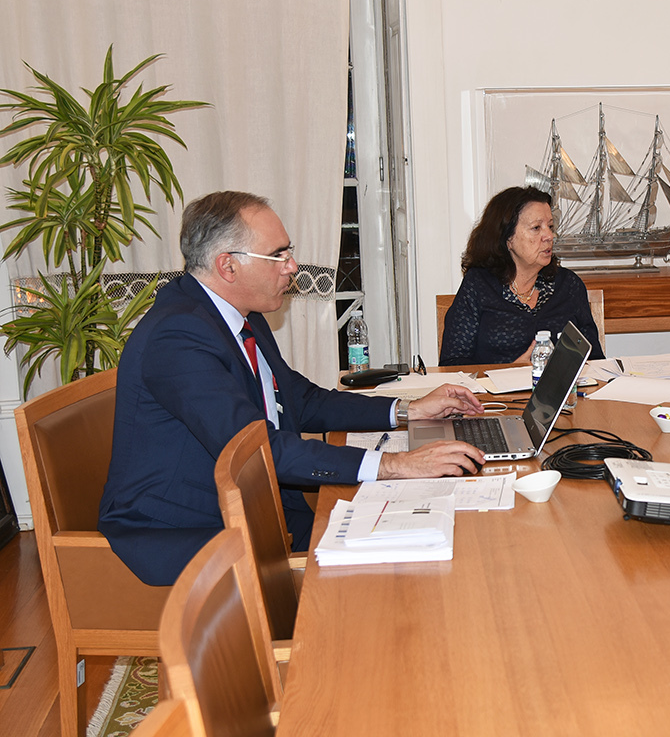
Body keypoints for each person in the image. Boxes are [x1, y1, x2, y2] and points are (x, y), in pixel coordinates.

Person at [100, 191, 487, 586]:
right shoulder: (178, 336)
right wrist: (396, 465)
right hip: (192, 532)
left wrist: (407, 410)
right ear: (227, 266)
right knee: (395, 574)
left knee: (431, 538)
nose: (293, 266)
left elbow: (297, 399)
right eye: (278, 255)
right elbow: (255, 450)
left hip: (262, 508)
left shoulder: (238, 312)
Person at [439, 186, 605, 366]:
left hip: (560, 385)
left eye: (550, 226)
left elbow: (595, 360)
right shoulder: (479, 285)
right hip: (494, 385)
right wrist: (510, 371)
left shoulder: (569, 285)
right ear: (508, 238)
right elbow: (452, 364)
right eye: (536, 228)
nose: (549, 236)